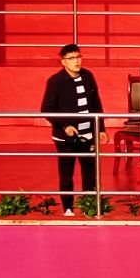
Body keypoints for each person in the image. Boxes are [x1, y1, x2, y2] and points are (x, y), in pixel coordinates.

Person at [41, 43, 103, 215]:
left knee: (90, 173)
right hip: (66, 138)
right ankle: (68, 208)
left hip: (88, 135)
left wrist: (101, 128)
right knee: (66, 174)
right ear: (63, 62)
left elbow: (96, 104)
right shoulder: (55, 81)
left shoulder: (88, 76)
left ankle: (89, 208)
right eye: (72, 58)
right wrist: (64, 126)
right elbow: (46, 109)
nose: (76, 61)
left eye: (78, 57)